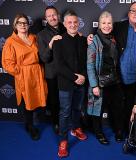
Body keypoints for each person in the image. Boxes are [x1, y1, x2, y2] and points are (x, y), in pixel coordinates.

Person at [88, 1, 136, 135]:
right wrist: (90, 37)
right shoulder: (118, 27)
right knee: (114, 106)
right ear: (129, 13)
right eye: (133, 11)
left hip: (135, 78)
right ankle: (116, 129)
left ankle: (124, 130)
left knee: (129, 106)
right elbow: (103, 31)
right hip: (116, 77)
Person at [2, 13, 47, 140]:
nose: (23, 25)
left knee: (38, 99)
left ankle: (33, 123)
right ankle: (30, 126)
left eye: (25, 23)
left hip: (37, 72)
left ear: (28, 25)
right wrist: (20, 72)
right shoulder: (10, 41)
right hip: (24, 75)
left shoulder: (34, 37)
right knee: (27, 102)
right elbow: (7, 62)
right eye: (20, 23)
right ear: (15, 25)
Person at [52, 10, 87, 157]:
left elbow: (87, 61)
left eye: (75, 22)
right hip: (66, 83)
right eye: (69, 22)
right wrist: (75, 77)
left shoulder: (83, 40)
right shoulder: (58, 41)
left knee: (77, 108)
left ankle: (76, 128)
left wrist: (83, 76)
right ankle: (63, 141)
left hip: (81, 82)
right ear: (64, 24)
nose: (73, 25)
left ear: (78, 23)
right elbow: (59, 66)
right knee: (65, 112)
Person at [87, 11, 124, 145]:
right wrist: (94, 85)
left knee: (117, 108)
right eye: (104, 23)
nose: (107, 26)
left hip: (114, 80)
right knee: (98, 109)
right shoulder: (93, 41)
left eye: (109, 23)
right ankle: (98, 132)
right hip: (100, 82)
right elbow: (90, 65)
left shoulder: (114, 38)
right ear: (99, 24)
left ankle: (118, 131)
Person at [37, 6, 66, 134]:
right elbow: (44, 58)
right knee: (54, 101)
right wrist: (50, 44)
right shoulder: (41, 35)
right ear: (46, 18)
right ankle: (56, 123)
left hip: (67, 72)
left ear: (58, 15)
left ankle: (67, 121)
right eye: (49, 16)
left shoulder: (67, 29)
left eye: (54, 14)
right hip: (52, 73)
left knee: (67, 99)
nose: (52, 17)